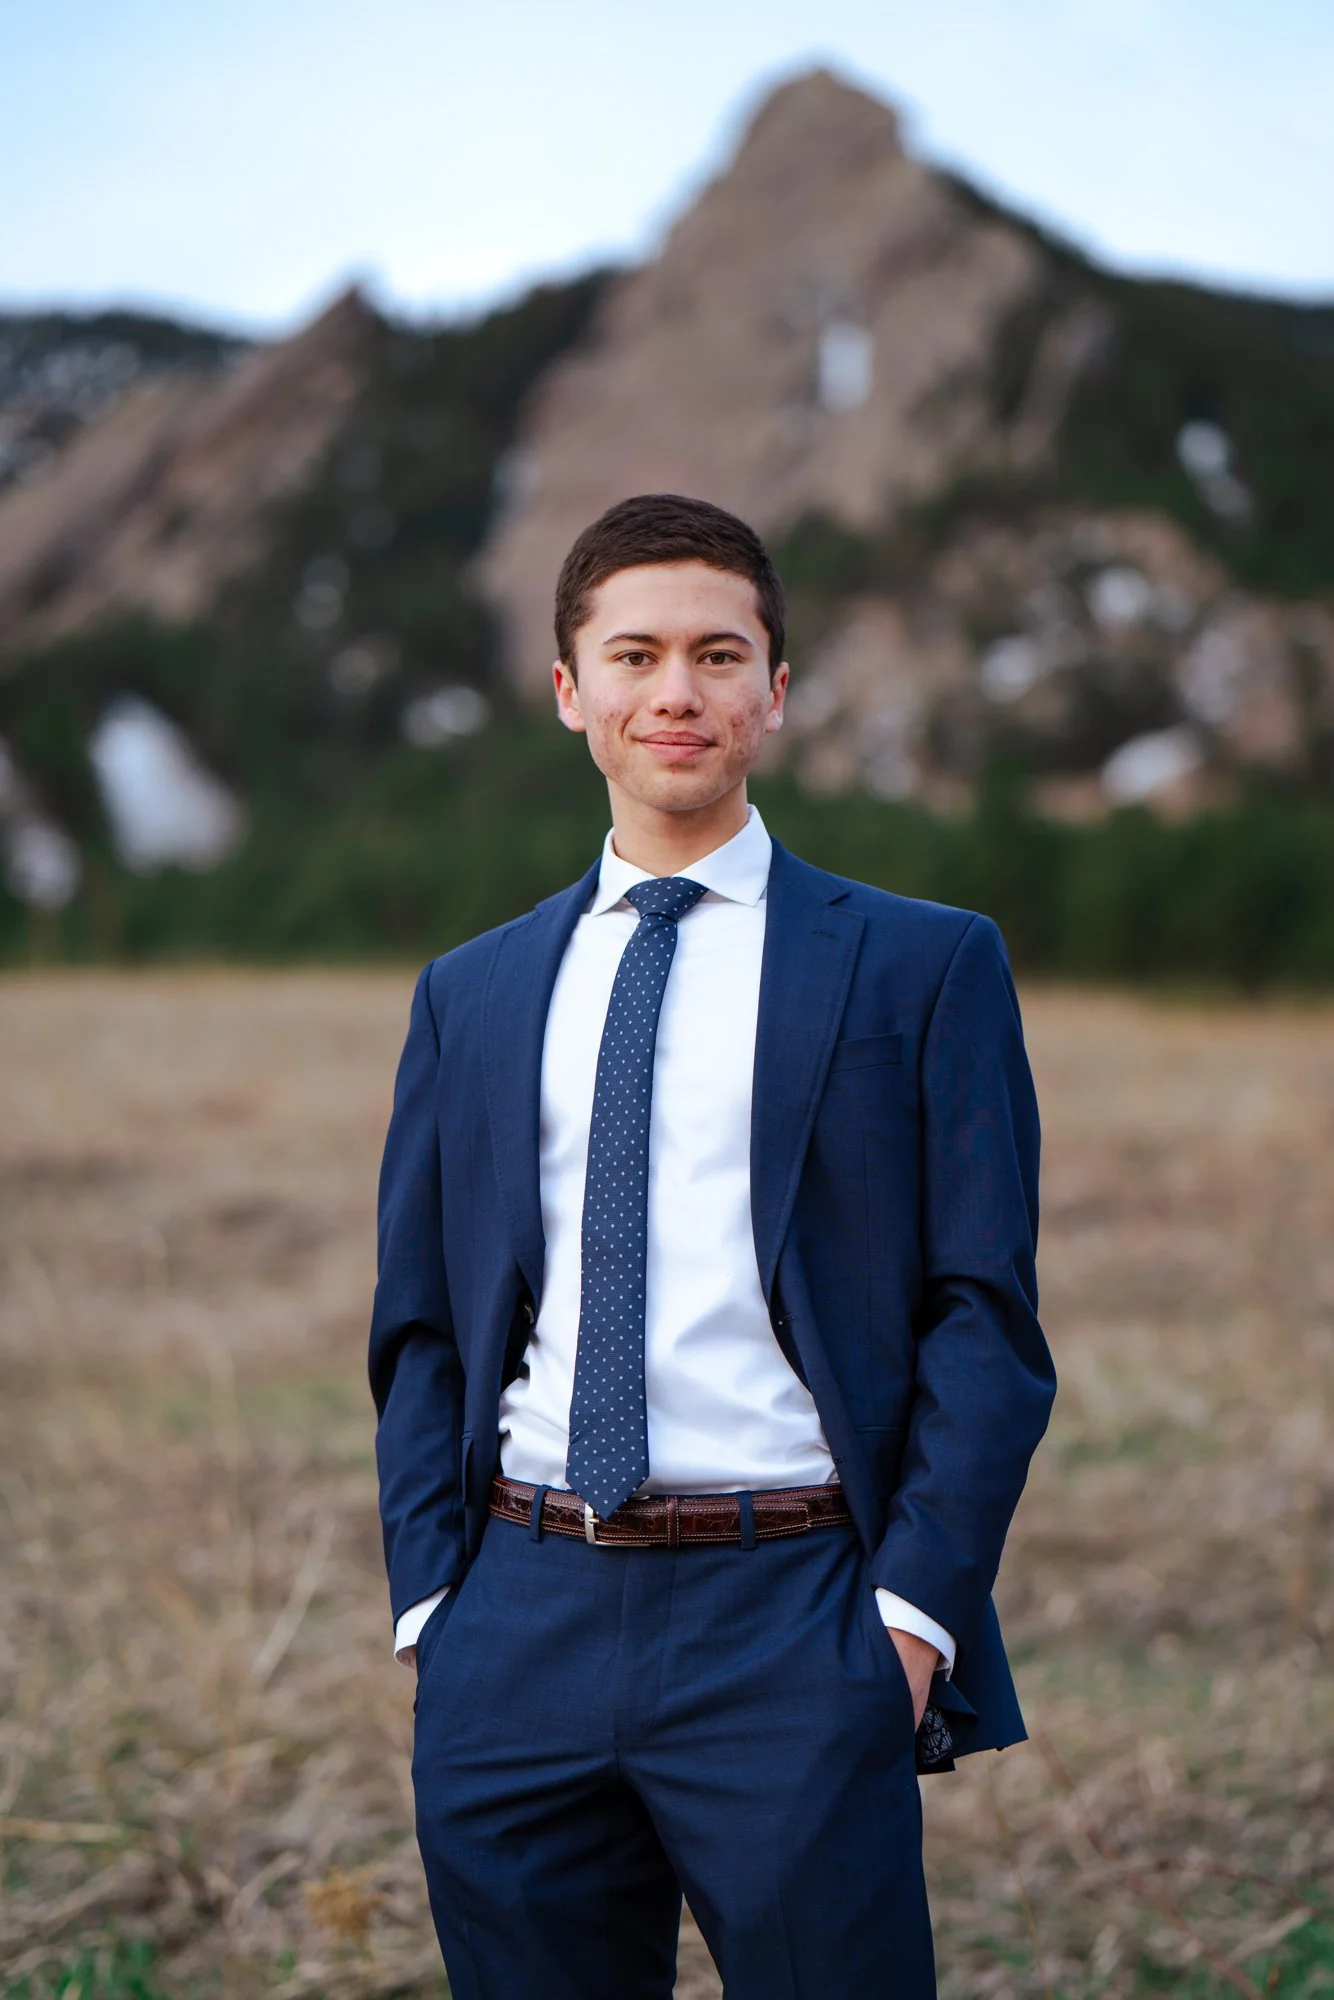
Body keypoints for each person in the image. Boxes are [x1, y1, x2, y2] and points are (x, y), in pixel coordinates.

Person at [369, 493, 1055, 2000]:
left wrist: (906, 1621)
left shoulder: (923, 963)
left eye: (715, 654)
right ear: (570, 694)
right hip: (517, 1619)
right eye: (633, 655)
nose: (673, 691)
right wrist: (436, 1602)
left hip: (797, 1612)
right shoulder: (471, 993)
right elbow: (421, 1326)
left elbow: (981, 1318)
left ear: (773, 692)